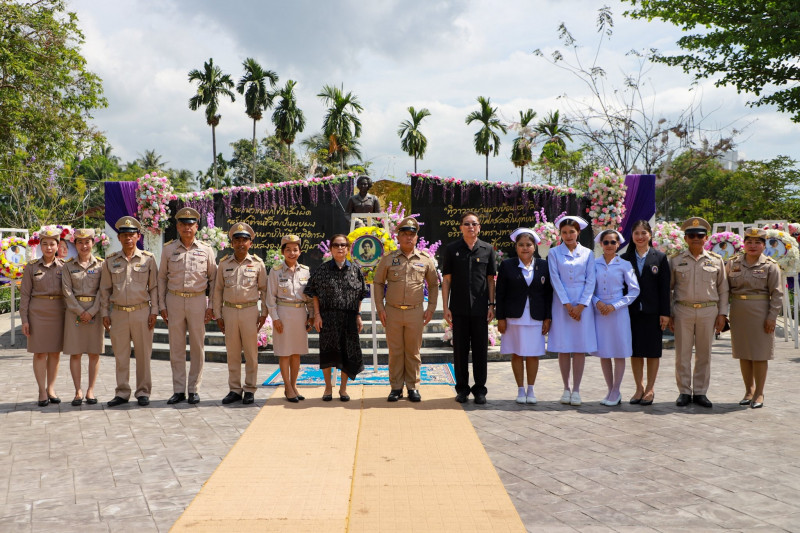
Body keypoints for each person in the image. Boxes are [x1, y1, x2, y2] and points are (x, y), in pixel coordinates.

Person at [373, 217, 439, 402]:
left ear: (416, 237)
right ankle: (396, 387)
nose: (408, 238)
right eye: (405, 234)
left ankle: (412, 387)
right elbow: (378, 283)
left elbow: (434, 284)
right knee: (395, 351)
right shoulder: (388, 258)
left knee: (413, 351)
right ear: (398, 237)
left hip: (415, 312)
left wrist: (431, 308)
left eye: (412, 235)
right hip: (392, 311)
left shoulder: (425, 260)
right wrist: (380, 308)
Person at [158, 207, 217, 405]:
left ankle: (194, 389)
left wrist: (211, 306)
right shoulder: (168, 250)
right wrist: (161, 305)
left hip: (198, 300)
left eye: (190, 224)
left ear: (196, 227)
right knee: (176, 347)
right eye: (183, 224)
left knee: (197, 347)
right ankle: (178, 390)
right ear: (177, 227)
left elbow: (214, 280)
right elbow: (161, 278)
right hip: (174, 300)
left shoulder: (206, 250)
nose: (187, 228)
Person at [99, 217, 159, 407]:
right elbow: (105, 290)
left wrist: (154, 311)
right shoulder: (110, 261)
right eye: (124, 235)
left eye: (131, 235)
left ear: (138, 237)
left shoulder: (148, 259)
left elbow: (154, 288)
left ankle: (143, 391)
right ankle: (122, 392)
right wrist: (104, 313)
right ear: (119, 237)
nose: (128, 238)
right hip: (118, 314)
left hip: (142, 312)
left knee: (143, 356)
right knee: (121, 356)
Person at [669, 217, 728, 408]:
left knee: (704, 353)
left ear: (706, 238)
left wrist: (722, 314)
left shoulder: (716, 260)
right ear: (686, 238)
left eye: (700, 235)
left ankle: (701, 392)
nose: (696, 238)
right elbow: (669, 289)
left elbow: (723, 289)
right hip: (683, 310)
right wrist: (670, 313)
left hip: (708, 311)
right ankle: (684, 391)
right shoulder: (676, 260)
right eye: (692, 235)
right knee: (682, 354)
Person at [304, 234, 368, 401]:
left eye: (343, 245)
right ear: (331, 248)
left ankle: (343, 389)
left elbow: (361, 294)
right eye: (336, 245)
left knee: (348, 353)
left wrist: (358, 315)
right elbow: (313, 292)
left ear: (348, 248)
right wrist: (317, 315)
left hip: (349, 317)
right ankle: (327, 388)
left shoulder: (355, 270)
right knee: (327, 353)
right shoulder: (322, 269)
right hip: (328, 317)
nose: (340, 248)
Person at [441, 211, 496, 404]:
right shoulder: (452, 249)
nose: (470, 227)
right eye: (467, 224)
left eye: (474, 223)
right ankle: (462, 390)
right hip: (459, 309)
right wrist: (445, 306)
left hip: (481, 309)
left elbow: (491, 280)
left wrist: (491, 305)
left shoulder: (487, 249)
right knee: (460, 352)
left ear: (479, 227)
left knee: (481, 351)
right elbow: (446, 280)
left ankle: (480, 390)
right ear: (460, 227)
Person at [726, 227, 782, 409]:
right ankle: (748, 391)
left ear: (764, 246)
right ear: (744, 244)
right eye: (749, 242)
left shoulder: (770, 266)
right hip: (738, 312)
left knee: (759, 354)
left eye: (757, 242)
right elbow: (724, 289)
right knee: (743, 353)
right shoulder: (733, 263)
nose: (752, 246)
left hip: (760, 313)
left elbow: (777, 294)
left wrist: (772, 317)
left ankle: (759, 393)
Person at [495, 228, 552, 405]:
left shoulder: (543, 265)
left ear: (534, 247)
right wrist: (500, 318)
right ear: (516, 247)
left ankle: (531, 389)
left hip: (536, 317)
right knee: (517, 353)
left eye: (528, 245)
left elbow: (548, 294)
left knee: (533, 354)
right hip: (514, 317)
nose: (525, 248)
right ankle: (520, 389)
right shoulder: (507, 265)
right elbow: (500, 293)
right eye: (521, 245)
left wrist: (548, 317)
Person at [214, 223, 268, 405]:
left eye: (244, 240)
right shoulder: (224, 264)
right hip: (229, 311)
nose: (240, 244)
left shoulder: (258, 264)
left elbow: (264, 290)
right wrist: (218, 315)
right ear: (232, 243)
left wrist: (264, 313)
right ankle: (235, 389)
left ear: (250, 243)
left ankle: (250, 388)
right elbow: (217, 290)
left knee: (251, 353)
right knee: (233, 353)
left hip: (250, 311)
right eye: (237, 240)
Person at [620, 220, 671, 406]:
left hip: (653, 312)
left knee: (652, 352)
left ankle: (650, 388)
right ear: (632, 236)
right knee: (635, 351)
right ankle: (639, 388)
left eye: (644, 233)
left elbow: (664, 288)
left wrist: (665, 313)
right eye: (636, 233)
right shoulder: (624, 258)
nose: (640, 237)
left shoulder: (660, 258)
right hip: (631, 312)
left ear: (650, 235)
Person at [547, 215, 596, 407]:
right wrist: (567, 305)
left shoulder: (588, 253)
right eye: (564, 232)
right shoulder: (554, 253)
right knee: (564, 347)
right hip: (561, 304)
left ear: (578, 233)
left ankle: (576, 389)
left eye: (572, 232)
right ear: (560, 234)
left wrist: (581, 305)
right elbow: (555, 279)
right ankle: (566, 388)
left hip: (583, 304)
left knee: (579, 347)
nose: (568, 236)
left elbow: (591, 280)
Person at [591, 229, 640, 406]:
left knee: (619, 352)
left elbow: (634, 290)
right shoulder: (593, 264)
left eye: (613, 242)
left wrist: (615, 305)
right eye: (606, 242)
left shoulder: (624, 264)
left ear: (618, 244)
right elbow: (588, 287)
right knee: (604, 352)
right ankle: (610, 389)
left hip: (618, 312)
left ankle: (616, 390)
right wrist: (597, 302)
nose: (610, 245)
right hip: (600, 312)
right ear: (601, 244)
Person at [20, 227, 65, 407]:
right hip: (37, 313)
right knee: (39, 353)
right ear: (40, 246)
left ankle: (51, 388)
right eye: (45, 244)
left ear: (57, 246)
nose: (48, 247)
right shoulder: (32, 267)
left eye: (52, 244)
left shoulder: (64, 266)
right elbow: (25, 295)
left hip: (58, 312)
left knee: (55, 352)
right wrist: (24, 320)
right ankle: (41, 390)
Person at [266, 234, 313, 403]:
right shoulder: (275, 271)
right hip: (283, 314)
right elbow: (270, 298)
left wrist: (311, 316)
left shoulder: (305, 271)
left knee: (296, 353)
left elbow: (309, 297)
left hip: (300, 314)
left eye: (295, 250)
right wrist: (275, 318)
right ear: (282, 252)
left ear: (300, 252)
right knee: (284, 353)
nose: (292, 253)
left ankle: (293, 386)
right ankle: (287, 387)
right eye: (288, 250)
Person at [61, 228, 104, 406]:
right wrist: (80, 312)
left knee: (94, 353)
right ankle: (78, 391)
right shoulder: (68, 266)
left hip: (95, 312)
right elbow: (66, 292)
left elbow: (103, 290)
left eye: (87, 242)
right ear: (75, 244)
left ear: (93, 243)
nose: (84, 246)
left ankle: (90, 390)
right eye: (80, 242)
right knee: (76, 352)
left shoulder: (101, 265)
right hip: (74, 313)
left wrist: (92, 311)